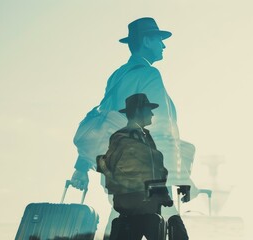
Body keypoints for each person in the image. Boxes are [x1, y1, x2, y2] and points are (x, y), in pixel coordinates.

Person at [70, 17, 196, 239]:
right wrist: (179, 176)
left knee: (124, 223)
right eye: (159, 40)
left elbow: (103, 124)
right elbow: (161, 131)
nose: (164, 45)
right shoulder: (149, 75)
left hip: (119, 176)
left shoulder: (118, 76)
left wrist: (82, 166)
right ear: (147, 41)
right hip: (148, 181)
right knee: (172, 229)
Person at [97, 93, 175, 240]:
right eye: (148, 109)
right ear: (139, 111)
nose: (152, 114)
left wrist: (162, 195)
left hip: (146, 208)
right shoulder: (124, 137)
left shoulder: (143, 136)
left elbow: (155, 171)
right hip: (135, 209)